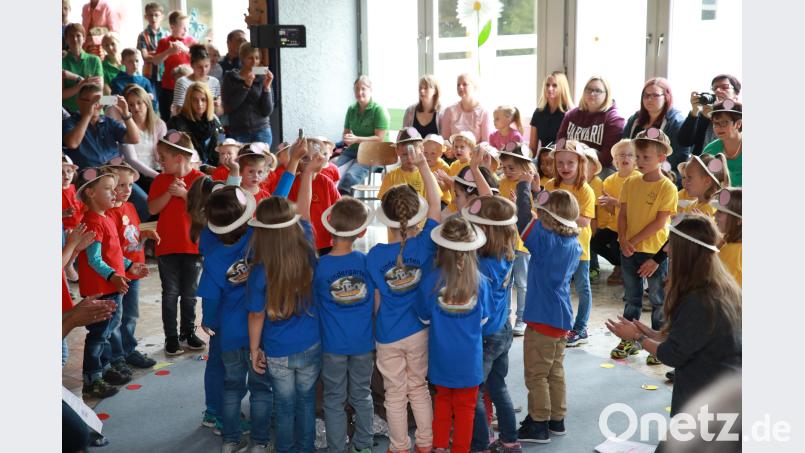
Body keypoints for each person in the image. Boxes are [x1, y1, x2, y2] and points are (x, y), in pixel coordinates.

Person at [606, 214, 741, 417]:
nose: (666, 249)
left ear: (687, 251)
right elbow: (692, 337)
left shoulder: (699, 297)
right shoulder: (715, 286)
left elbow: (672, 355)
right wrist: (652, 333)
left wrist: (637, 338)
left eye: (671, 243)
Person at [367, 145, 441, 453]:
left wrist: (374, 333)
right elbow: (437, 203)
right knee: (419, 389)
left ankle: (399, 446)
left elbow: (375, 303)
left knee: (394, 394)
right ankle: (425, 443)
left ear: (385, 218)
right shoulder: (425, 245)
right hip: (419, 332)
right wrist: (424, 165)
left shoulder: (374, 256)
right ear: (418, 215)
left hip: (387, 335)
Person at [247, 157, 323, 453]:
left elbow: (256, 314)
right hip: (311, 344)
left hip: (277, 350)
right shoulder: (306, 242)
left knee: (284, 404)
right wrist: (307, 175)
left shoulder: (259, 270)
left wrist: (254, 351)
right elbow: (303, 212)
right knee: (305, 403)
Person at [414, 215, 491, 453]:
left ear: (441, 248)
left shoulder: (430, 281)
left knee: (443, 403)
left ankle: (438, 447)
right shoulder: (482, 282)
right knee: (466, 408)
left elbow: (423, 317)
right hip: (469, 362)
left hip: (440, 359)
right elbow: (484, 320)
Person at [514, 187, 582, 444]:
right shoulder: (573, 243)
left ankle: (539, 423)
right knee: (555, 371)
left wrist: (523, 187)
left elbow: (522, 218)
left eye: (541, 213)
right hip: (561, 318)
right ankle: (557, 419)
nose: (537, 216)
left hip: (541, 319)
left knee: (536, 374)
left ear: (549, 218)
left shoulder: (545, 239)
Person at [75, 168, 148, 398]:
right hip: (101, 289)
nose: (114, 193)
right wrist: (112, 276)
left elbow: (112, 254)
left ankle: (104, 369)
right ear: (90, 193)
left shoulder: (105, 218)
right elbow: (94, 259)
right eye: (108, 189)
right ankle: (92, 378)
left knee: (106, 332)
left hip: (111, 286)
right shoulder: (93, 222)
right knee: (98, 335)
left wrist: (128, 266)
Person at [611, 128, 678, 364]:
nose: (639, 161)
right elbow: (623, 214)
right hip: (629, 250)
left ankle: (658, 344)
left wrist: (633, 240)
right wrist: (623, 239)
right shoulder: (630, 183)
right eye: (637, 156)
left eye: (645, 157)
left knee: (658, 299)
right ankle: (629, 339)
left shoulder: (667, 187)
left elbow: (660, 222)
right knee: (632, 298)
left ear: (661, 158)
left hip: (653, 253)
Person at [315, 197, 376, 453]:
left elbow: (315, 305)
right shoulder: (365, 262)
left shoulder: (320, 266)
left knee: (333, 398)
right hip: (363, 343)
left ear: (330, 229)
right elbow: (375, 303)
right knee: (362, 394)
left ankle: (336, 447)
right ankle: (363, 445)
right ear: (361, 231)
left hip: (332, 345)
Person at [461, 196, 522, 453]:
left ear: (485, 230)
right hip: (503, 330)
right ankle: (510, 440)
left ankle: (479, 444)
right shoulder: (506, 251)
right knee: (498, 387)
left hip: (485, 336)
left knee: (473, 392)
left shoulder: (482, 264)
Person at [147, 130, 207, 356]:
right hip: (166, 246)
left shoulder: (200, 180)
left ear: (180, 158)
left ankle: (188, 333)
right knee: (170, 293)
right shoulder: (160, 180)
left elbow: (204, 212)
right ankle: (171, 337)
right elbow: (153, 209)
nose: (159, 161)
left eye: (163, 157)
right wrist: (170, 194)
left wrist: (184, 195)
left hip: (193, 246)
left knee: (190, 294)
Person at [63, 84, 151, 221]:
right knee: (106, 209)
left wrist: (126, 113)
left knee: (145, 204)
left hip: (117, 174)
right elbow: (72, 143)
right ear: (79, 102)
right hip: (91, 178)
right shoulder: (70, 122)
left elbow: (134, 138)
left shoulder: (109, 122)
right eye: (91, 101)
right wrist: (87, 116)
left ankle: (129, 235)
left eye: (99, 101)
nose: (96, 105)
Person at [101, 161, 159, 369]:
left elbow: (130, 235)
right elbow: (110, 247)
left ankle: (129, 349)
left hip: (134, 269)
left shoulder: (131, 206)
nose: (127, 190)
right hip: (116, 273)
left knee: (131, 314)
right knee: (114, 318)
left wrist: (144, 234)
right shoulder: (105, 213)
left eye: (130, 185)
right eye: (121, 185)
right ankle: (115, 357)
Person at [543, 139, 596, 347]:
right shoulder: (549, 185)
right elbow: (542, 212)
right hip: (555, 246)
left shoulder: (585, 190)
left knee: (582, 287)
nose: (565, 168)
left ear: (579, 164)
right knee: (559, 285)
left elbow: (584, 220)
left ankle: (580, 327)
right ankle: (561, 323)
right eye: (560, 163)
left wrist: (558, 216)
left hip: (578, 248)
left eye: (570, 163)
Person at [497, 143, 536, 336]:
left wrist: (516, 204)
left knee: (522, 283)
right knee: (506, 281)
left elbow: (533, 215)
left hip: (521, 243)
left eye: (511, 168)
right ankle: (505, 317)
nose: (507, 171)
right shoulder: (502, 183)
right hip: (505, 242)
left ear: (525, 167)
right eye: (504, 167)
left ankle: (521, 319)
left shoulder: (530, 186)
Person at [622, 78, 691, 183]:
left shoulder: (676, 121)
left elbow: (678, 159)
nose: (649, 99)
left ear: (666, 97)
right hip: (633, 172)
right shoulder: (635, 119)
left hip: (664, 176)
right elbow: (624, 146)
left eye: (655, 95)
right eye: (646, 95)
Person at [592, 139, 640, 286]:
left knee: (616, 244)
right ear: (615, 160)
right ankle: (620, 265)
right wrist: (606, 205)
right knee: (595, 242)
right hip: (614, 224)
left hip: (632, 225)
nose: (625, 158)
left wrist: (615, 202)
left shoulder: (638, 179)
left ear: (635, 160)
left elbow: (637, 205)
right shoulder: (609, 180)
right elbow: (609, 210)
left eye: (630, 155)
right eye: (621, 155)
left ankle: (625, 268)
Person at [556, 75, 625, 177]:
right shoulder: (570, 115)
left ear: (607, 94)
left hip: (599, 168)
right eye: (589, 89)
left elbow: (609, 156)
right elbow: (560, 143)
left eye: (598, 91)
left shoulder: (614, 119)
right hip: (569, 164)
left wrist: (581, 157)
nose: (592, 94)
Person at [336, 75, 390, 196]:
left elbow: (379, 139)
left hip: (374, 152)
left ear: (370, 90)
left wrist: (356, 139)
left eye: (363, 88)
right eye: (356, 89)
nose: (359, 92)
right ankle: (332, 204)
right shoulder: (351, 109)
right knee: (332, 172)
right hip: (352, 150)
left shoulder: (379, 110)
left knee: (350, 177)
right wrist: (347, 138)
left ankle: (346, 208)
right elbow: (345, 132)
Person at [114, 85, 167, 193]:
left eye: (139, 103)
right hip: (134, 174)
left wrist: (166, 173)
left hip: (156, 169)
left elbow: (164, 153)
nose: (136, 108)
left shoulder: (159, 124)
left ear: (147, 104)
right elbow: (131, 160)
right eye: (131, 105)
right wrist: (158, 177)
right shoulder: (123, 125)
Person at [221, 41, 276, 146]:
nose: (254, 62)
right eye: (250, 58)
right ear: (242, 58)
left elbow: (267, 111)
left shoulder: (262, 76)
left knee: (262, 161)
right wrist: (245, 86)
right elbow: (229, 107)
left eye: (257, 58)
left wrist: (267, 88)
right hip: (239, 131)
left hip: (261, 130)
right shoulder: (231, 77)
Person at [677, 74, 741, 156]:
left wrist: (717, 118)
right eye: (714, 88)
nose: (718, 90)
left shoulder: (740, 115)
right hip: (702, 165)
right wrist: (695, 111)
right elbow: (684, 141)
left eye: (724, 87)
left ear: (736, 94)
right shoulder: (706, 112)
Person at [168, 82, 224, 166]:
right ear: (189, 101)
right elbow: (173, 149)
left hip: (214, 169)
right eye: (195, 100)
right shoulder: (175, 122)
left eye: (203, 99)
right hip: (189, 169)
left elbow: (221, 145)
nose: (199, 104)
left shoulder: (215, 121)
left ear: (208, 101)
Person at [153, 11, 195, 120]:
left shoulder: (192, 42)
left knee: (189, 119)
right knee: (168, 119)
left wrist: (185, 49)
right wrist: (169, 52)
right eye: (183, 27)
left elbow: (200, 59)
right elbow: (155, 61)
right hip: (169, 88)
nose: (186, 30)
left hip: (189, 88)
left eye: (188, 27)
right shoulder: (164, 42)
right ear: (173, 27)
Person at [378, 129, 434, 200]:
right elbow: (384, 202)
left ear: (422, 149)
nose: (410, 159)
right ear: (397, 151)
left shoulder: (427, 176)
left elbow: (434, 203)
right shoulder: (391, 176)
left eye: (414, 153)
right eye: (404, 154)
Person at [62, 23, 104, 113]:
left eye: (78, 35)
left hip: (94, 111)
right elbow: (61, 95)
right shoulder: (61, 62)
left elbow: (99, 88)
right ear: (66, 39)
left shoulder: (95, 60)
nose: (75, 39)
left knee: (114, 100)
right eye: (71, 36)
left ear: (84, 39)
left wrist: (75, 78)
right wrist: (82, 83)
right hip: (70, 112)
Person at [439, 73, 493, 143]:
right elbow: (445, 141)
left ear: (474, 87)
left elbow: (486, 143)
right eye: (458, 85)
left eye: (465, 84)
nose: (460, 87)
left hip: (477, 153)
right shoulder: (449, 111)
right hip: (454, 153)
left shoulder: (484, 112)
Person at [172, 44, 222, 117]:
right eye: (199, 67)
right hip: (188, 123)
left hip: (207, 123)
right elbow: (177, 110)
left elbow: (218, 112)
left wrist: (217, 105)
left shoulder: (214, 82)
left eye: (206, 66)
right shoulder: (182, 82)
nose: (204, 70)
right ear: (192, 65)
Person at [529, 72, 574, 151]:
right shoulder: (538, 113)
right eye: (547, 85)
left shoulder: (570, 114)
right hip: (543, 160)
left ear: (562, 88)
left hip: (562, 159)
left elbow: (571, 146)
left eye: (554, 85)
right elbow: (532, 147)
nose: (550, 88)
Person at [702, 100, 742, 187]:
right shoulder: (710, 150)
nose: (718, 128)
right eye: (715, 123)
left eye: (724, 123)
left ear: (738, 124)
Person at [582, 148, 604, 281]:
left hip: (595, 220)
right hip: (582, 219)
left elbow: (595, 209)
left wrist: (593, 227)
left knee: (591, 242)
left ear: (594, 168)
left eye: (585, 165)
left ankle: (594, 267)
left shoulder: (596, 183)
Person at [138, 3, 168, 95]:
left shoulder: (166, 34)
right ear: (145, 17)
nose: (153, 18)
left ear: (162, 17)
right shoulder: (143, 35)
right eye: (150, 15)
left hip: (164, 73)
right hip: (149, 74)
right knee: (151, 99)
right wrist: (161, 55)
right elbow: (145, 56)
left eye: (156, 15)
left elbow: (170, 55)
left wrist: (154, 54)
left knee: (164, 100)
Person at [714, 188, 742, 287]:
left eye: (720, 211)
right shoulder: (726, 244)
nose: (714, 214)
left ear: (738, 220)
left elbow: (718, 284)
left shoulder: (736, 251)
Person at [422, 134, 453, 208]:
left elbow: (447, 188)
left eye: (433, 153)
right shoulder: (421, 164)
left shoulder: (443, 167)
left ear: (440, 154)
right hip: (425, 199)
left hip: (441, 200)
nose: (428, 156)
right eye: (425, 153)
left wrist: (439, 183)